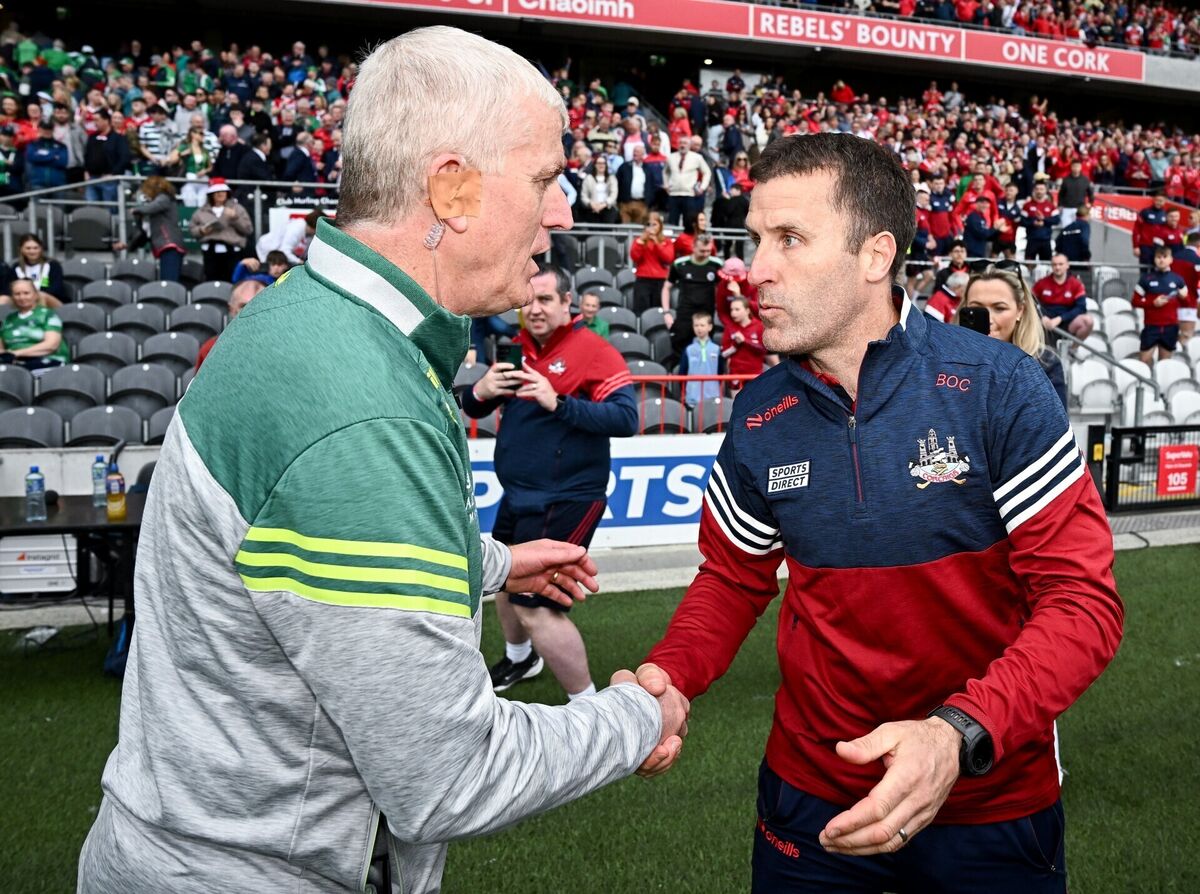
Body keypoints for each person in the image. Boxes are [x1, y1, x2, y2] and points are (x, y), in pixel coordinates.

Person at [78, 28, 687, 894]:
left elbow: (282, 547)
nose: (561, 214)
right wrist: (634, 715)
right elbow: (449, 775)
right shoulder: (363, 402)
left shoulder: (310, 317)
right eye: (546, 178)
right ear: (452, 187)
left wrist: (499, 563)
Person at [636, 132, 1122, 893]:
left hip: (990, 802)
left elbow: (1082, 602)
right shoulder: (760, 414)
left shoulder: (1001, 388)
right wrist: (669, 677)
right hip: (810, 798)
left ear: (874, 255)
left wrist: (958, 734)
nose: (755, 269)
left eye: (789, 239)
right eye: (756, 239)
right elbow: (732, 579)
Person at [463, 261, 638, 702]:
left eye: (545, 300)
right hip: (520, 493)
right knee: (503, 581)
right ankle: (522, 658)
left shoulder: (594, 350)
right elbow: (477, 407)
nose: (535, 309)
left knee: (535, 605)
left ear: (566, 304)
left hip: (568, 498)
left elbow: (626, 418)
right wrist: (480, 393)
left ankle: (590, 704)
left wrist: (557, 402)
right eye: (529, 300)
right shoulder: (516, 347)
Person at [961, 264, 1068, 410]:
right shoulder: (942, 362)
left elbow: (1055, 429)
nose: (989, 319)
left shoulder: (1046, 364)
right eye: (977, 308)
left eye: (999, 308)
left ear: (1020, 310)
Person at [116, 176, 187, 283]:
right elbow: (145, 233)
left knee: (169, 281)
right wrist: (128, 245)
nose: (145, 193)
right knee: (165, 280)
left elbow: (151, 208)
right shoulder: (155, 208)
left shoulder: (164, 198)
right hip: (163, 246)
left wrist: (136, 209)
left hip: (170, 245)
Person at [668, 233, 722, 359]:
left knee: (705, 350)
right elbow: (666, 288)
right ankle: (680, 377)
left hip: (707, 313)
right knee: (680, 348)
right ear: (693, 247)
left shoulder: (717, 264)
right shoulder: (679, 264)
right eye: (702, 251)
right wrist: (666, 312)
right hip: (685, 313)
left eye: (708, 251)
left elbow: (721, 289)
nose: (706, 254)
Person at [189, 178, 253, 282]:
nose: (220, 194)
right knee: (211, 281)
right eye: (217, 192)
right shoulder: (201, 211)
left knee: (232, 280)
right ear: (211, 194)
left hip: (232, 252)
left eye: (223, 191)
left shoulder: (237, 208)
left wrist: (235, 219)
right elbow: (192, 229)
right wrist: (201, 231)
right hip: (210, 252)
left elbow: (248, 229)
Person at [194, 278, 266, 370]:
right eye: (244, 306)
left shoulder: (285, 345)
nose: (252, 311)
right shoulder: (212, 349)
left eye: (259, 304)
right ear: (232, 309)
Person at [1133, 245, 1188, 363]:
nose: (1161, 260)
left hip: (1170, 327)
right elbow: (1135, 301)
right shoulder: (1146, 279)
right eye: (1158, 257)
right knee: (1144, 360)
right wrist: (1152, 303)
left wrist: (1183, 297)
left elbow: (1186, 302)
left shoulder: (1178, 280)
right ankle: (1145, 381)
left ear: (1171, 259)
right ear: (1154, 259)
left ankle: (1159, 382)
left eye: (1164, 257)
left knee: (1165, 363)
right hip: (1151, 326)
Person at [0, 278, 69, 370]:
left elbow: (51, 345)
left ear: (36, 295)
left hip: (48, 363)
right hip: (14, 366)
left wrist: (17, 353)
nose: (22, 297)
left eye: (26, 293)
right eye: (17, 294)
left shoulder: (48, 314)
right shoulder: (8, 319)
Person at [1032, 253, 1094, 343]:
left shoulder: (1076, 284)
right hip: (1044, 322)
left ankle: (1072, 350)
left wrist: (1060, 319)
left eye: (1060, 264)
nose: (1057, 267)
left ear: (1067, 265)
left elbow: (1081, 308)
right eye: (1054, 264)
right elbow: (1030, 302)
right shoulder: (1041, 283)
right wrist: (1041, 317)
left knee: (1088, 321)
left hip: (1067, 322)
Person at [2, 234, 66, 308]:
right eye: (28, 248)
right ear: (21, 249)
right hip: (22, 300)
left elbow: (56, 289)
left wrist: (32, 296)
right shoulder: (16, 268)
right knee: (3, 299)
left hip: (51, 301)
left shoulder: (52, 266)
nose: (32, 251)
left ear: (41, 248)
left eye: (35, 248)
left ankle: (37, 319)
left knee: (40, 296)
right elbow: (9, 289)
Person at [629, 210, 674, 315]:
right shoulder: (639, 241)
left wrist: (657, 243)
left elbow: (668, 259)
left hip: (661, 281)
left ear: (660, 226)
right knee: (641, 311)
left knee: (659, 312)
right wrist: (641, 241)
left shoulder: (666, 242)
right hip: (643, 280)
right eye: (648, 224)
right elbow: (635, 257)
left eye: (654, 224)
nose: (652, 227)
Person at [82, 110, 130, 204]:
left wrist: (113, 174)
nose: (95, 123)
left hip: (109, 179)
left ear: (106, 120)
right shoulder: (92, 137)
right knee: (91, 208)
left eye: (97, 120)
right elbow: (87, 155)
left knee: (110, 208)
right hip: (92, 178)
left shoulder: (118, 138)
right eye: (93, 120)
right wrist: (86, 170)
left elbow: (124, 157)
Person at [720, 296, 766, 393]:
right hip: (736, 375)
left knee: (755, 407)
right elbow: (724, 354)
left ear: (747, 310)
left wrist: (745, 341)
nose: (733, 313)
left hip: (754, 374)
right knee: (737, 406)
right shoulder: (730, 327)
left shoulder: (759, 326)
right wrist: (735, 345)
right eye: (731, 310)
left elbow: (763, 350)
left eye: (737, 309)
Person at [678, 309, 722, 406]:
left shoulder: (716, 349)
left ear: (710, 327)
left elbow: (720, 372)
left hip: (712, 396)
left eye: (702, 325)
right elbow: (682, 373)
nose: (699, 328)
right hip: (693, 397)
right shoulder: (688, 349)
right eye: (696, 325)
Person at [664, 138, 711, 226]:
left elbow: (707, 172)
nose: (682, 145)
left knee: (689, 222)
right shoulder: (670, 157)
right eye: (681, 142)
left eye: (685, 143)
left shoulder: (697, 157)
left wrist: (702, 187)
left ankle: (688, 239)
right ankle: (672, 240)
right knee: (672, 222)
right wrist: (666, 185)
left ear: (689, 145)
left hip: (689, 194)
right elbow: (665, 172)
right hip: (674, 194)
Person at [615, 142, 660, 224]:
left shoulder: (648, 169)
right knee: (624, 229)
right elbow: (617, 183)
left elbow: (652, 186)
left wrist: (648, 202)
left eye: (638, 152)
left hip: (641, 204)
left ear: (643, 154)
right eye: (634, 151)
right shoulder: (624, 167)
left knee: (638, 230)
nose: (635, 153)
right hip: (625, 203)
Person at [1170, 231, 1200, 344]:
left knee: (1171, 338)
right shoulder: (1197, 261)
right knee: (1186, 336)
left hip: (1171, 304)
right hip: (1189, 304)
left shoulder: (1172, 258)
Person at [1021, 175, 1059, 261]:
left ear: (1046, 191)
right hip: (1031, 240)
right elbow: (1022, 221)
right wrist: (1033, 223)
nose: (1039, 191)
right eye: (1037, 189)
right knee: (1029, 264)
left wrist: (1044, 220)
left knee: (1046, 266)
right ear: (1034, 190)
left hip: (1046, 240)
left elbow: (1057, 220)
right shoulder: (1027, 206)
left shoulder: (1051, 206)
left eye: (1041, 189)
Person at [23, 120, 68, 189]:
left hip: (57, 185)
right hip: (37, 184)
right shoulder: (32, 144)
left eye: (49, 128)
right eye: (44, 128)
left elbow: (62, 162)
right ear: (39, 129)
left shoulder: (61, 146)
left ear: (53, 130)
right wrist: (53, 156)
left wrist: (41, 158)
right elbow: (31, 158)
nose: (47, 131)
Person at [177, 124, 215, 207]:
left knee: (202, 203)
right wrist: (182, 154)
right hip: (190, 178)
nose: (203, 136)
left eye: (203, 134)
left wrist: (205, 171)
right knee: (190, 203)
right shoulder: (185, 147)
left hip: (202, 179)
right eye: (200, 133)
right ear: (193, 134)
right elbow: (175, 158)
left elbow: (210, 166)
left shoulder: (205, 150)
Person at [962, 194, 1005, 259]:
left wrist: (999, 231)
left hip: (979, 250)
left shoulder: (981, 217)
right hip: (972, 251)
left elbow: (987, 236)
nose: (985, 205)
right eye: (982, 203)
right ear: (976, 204)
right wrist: (995, 228)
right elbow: (982, 233)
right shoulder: (973, 217)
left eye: (987, 203)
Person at [579, 153, 618, 224]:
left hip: (608, 208)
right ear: (595, 165)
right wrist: (591, 204)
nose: (601, 165)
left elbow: (613, 195)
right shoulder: (588, 178)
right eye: (599, 163)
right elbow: (583, 196)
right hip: (592, 209)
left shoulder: (611, 178)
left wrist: (603, 205)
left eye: (603, 163)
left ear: (606, 165)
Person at [1132, 191, 1167, 270]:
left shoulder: (1165, 214)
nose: (1158, 203)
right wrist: (1136, 246)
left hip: (1159, 248)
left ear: (1164, 202)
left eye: (1161, 201)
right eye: (1157, 200)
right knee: (1144, 269)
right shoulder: (1145, 212)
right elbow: (1136, 230)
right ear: (1154, 200)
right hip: (1145, 247)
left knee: (1157, 270)